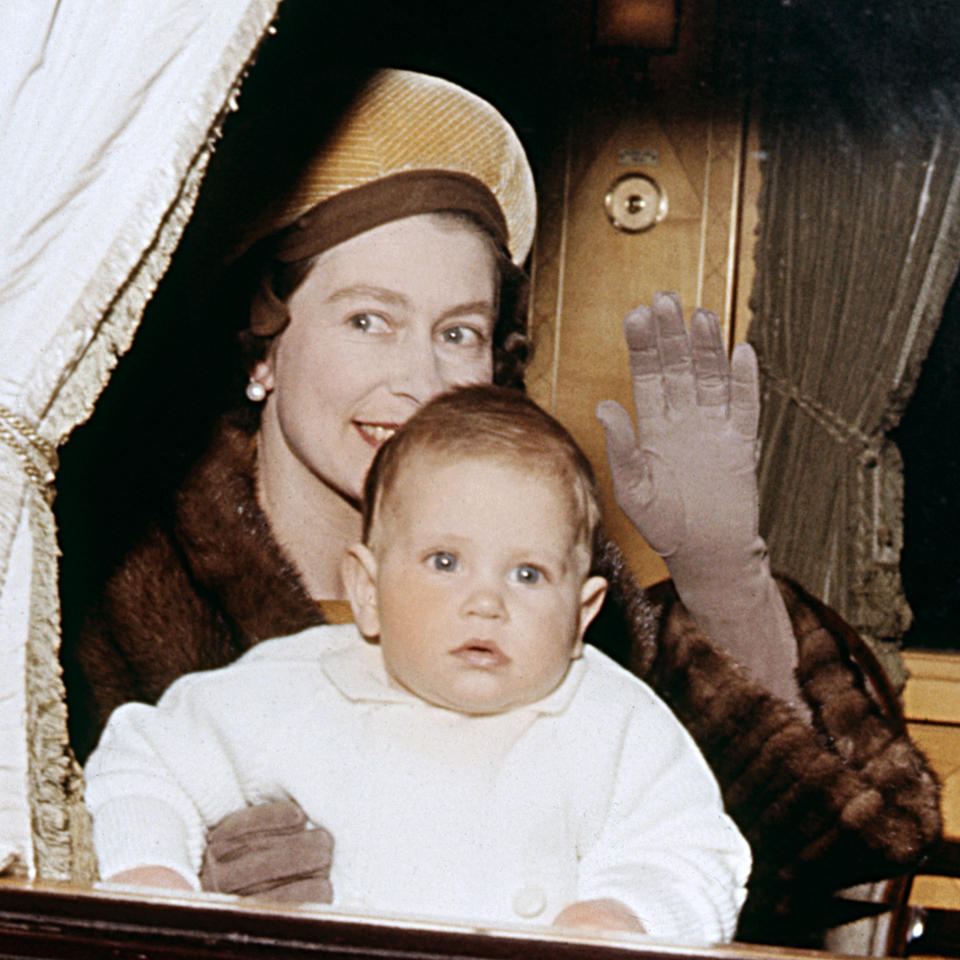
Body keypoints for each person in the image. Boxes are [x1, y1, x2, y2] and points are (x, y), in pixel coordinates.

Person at [61, 68, 940, 946]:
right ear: (261, 350)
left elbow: (813, 849)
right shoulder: (105, 601)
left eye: (459, 333)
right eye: (369, 320)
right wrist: (187, 889)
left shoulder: (557, 598)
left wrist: (724, 573)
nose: (419, 379)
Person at [84, 386, 752, 943]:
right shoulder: (296, 687)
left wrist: (620, 916)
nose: (486, 601)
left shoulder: (615, 723)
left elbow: (691, 851)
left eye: (528, 573)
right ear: (368, 592)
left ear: (582, 615)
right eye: (444, 562)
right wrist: (152, 881)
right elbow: (148, 762)